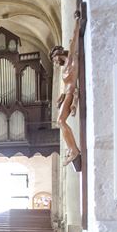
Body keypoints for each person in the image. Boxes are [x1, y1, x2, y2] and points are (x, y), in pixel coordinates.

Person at [50, 10, 81, 166]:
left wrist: (77, 20)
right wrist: (62, 96)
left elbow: (73, 40)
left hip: (71, 93)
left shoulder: (71, 60)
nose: (55, 62)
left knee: (61, 121)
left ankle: (73, 150)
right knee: (60, 122)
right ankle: (71, 149)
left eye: (54, 58)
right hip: (67, 94)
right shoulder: (64, 68)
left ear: (58, 54)